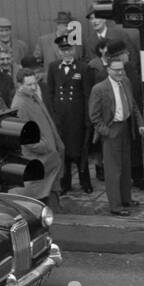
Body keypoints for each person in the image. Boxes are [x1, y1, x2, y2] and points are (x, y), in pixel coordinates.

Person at [88, 53, 136, 214]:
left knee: (126, 166)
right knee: (113, 170)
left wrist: (141, 124)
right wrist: (106, 132)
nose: (120, 73)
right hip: (111, 130)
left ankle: (126, 199)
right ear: (108, 70)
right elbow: (94, 116)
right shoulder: (99, 88)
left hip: (125, 128)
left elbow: (133, 105)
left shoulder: (126, 82)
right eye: (116, 70)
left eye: (121, 69)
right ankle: (116, 206)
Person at [45, 34, 92, 196]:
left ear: (74, 50)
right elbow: (50, 93)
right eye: (63, 50)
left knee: (80, 151)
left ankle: (85, 181)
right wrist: (53, 116)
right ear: (59, 52)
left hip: (77, 118)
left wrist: (87, 118)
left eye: (69, 49)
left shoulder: (82, 68)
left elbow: (87, 95)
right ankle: (65, 182)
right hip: (61, 118)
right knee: (63, 151)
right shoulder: (53, 67)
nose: (67, 53)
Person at [11, 66, 65, 201]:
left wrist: (57, 143)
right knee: (38, 195)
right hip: (39, 158)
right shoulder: (19, 105)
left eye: (35, 83)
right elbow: (25, 139)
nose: (34, 87)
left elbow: (48, 121)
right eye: (29, 85)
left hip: (49, 156)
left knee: (49, 190)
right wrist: (46, 146)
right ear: (19, 85)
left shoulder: (33, 96)